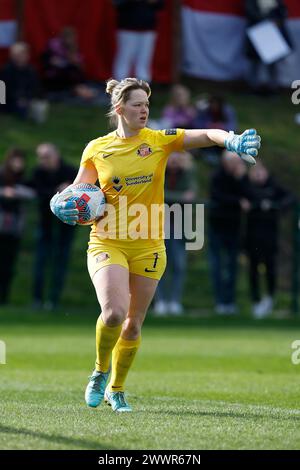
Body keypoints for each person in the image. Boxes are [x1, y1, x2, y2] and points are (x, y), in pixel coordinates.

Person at [50, 77, 261, 412]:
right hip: (108, 241)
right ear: (120, 109)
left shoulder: (158, 141)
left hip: (149, 246)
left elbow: (205, 135)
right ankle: (100, 371)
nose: (144, 110)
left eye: (147, 105)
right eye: (137, 104)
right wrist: (62, 204)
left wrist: (231, 139)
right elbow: (79, 195)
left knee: (133, 325)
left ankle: (117, 390)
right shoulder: (97, 148)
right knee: (114, 313)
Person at [30, 143, 77, 310]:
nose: (44, 160)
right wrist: (58, 192)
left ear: (56, 154)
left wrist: (68, 189)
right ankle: (37, 300)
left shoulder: (70, 171)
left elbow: (83, 191)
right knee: (41, 262)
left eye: (47, 156)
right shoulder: (38, 173)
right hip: (46, 224)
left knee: (61, 262)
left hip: (67, 224)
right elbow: (37, 191)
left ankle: (53, 301)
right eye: (41, 157)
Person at [244, 161, 295, 318]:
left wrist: (275, 206)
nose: (258, 175)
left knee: (270, 267)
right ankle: (256, 300)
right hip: (252, 236)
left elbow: (291, 198)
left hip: (270, 236)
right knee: (253, 269)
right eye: (255, 172)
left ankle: (270, 298)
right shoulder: (247, 188)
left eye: (261, 171)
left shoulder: (274, 187)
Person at [208, 150, 253, 315]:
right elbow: (217, 196)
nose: (234, 165)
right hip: (217, 227)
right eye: (231, 161)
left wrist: (241, 179)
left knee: (232, 266)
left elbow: (250, 195)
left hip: (234, 228)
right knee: (217, 266)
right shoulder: (217, 176)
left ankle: (230, 301)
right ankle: (220, 301)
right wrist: (237, 202)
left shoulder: (241, 177)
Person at [154, 151, 197, 316]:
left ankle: (174, 301)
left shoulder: (188, 174)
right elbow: (157, 194)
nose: (174, 161)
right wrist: (179, 197)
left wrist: (169, 197)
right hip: (158, 223)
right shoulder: (158, 172)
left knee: (179, 265)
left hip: (180, 224)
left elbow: (190, 196)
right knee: (158, 264)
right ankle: (160, 301)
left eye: (177, 158)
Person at [0, 148, 35, 304]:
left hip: (14, 228)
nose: (18, 164)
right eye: (16, 160)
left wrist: (17, 192)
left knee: (8, 263)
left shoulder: (24, 179)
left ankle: (4, 297)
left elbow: (33, 193)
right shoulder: (2, 175)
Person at [112, 0, 164, 82]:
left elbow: (160, 5)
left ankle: (143, 87)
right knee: (125, 58)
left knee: (144, 60)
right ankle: (120, 86)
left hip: (148, 27)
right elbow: (117, 4)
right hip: (128, 28)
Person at [0, 42, 40, 118]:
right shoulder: (7, 70)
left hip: (26, 99)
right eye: (18, 55)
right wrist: (18, 98)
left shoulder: (31, 70)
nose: (22, 57)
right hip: (10, 101)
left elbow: (35, 88)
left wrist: (27, 98)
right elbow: (4, 91)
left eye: (24, 54)